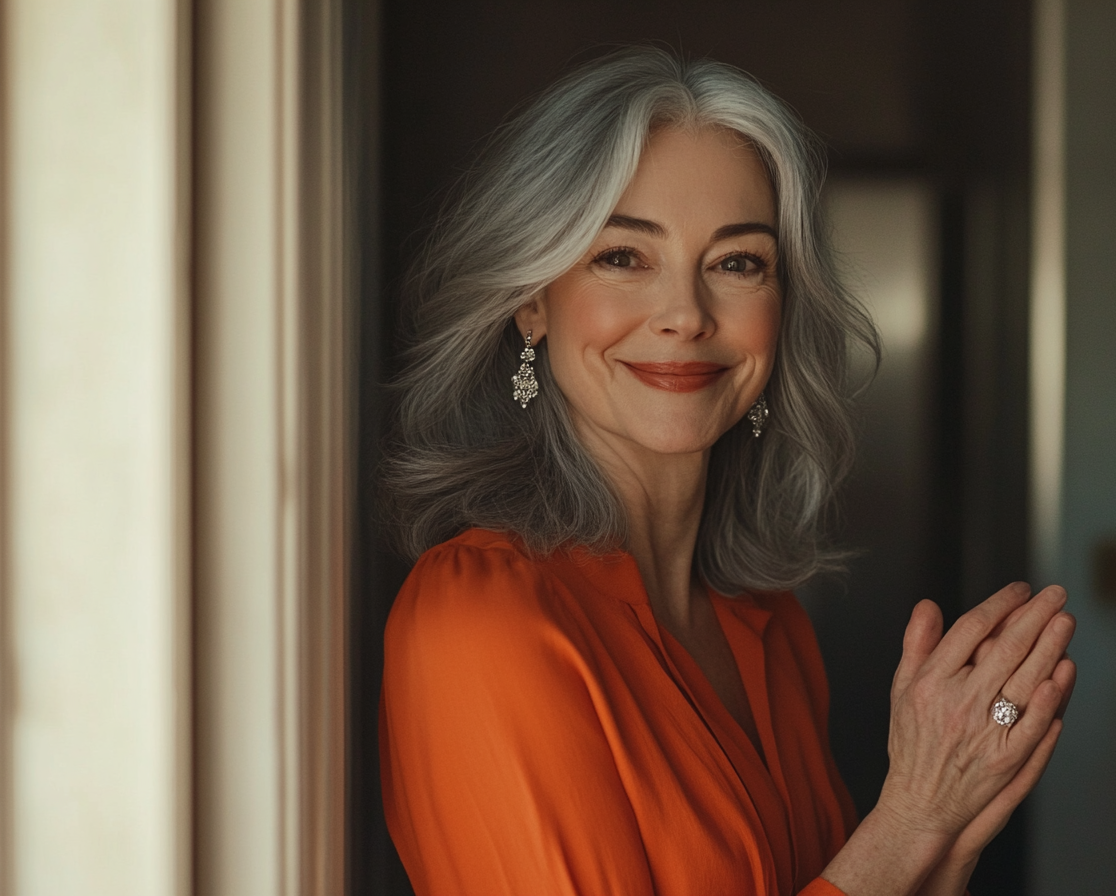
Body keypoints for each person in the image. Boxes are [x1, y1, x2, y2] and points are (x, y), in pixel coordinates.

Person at [379, 47, 1076, 896]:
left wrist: (945, 847)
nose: (685, 315)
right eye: (623, 257)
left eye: (737, 263)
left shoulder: (770, 624)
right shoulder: (477, 621)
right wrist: (911, 821)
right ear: (533, 299)